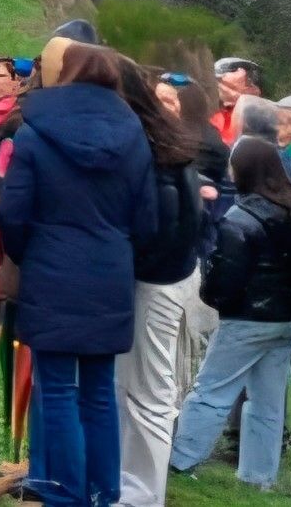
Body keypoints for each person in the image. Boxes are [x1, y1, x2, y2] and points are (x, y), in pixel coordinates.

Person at [0, 42, 154, 507]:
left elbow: (13, 211)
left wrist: (28, 255)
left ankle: (63, 494)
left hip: (50, 265)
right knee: (100, 390)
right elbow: (147, 219)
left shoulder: (34, 132)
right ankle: (103, 493)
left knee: (58, 387)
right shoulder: (135, 135)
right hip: (109, 267)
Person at [174, 138, 291, 492]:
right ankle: (259, 476)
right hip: (287, 316)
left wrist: (211, 295)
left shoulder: (240, 219)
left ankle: (179, 462)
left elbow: (228, 277)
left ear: (245, 170)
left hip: (247, 318)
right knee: (267, 399)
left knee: (211, 390)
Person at [106, 55, 210, 507]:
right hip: (166, 276)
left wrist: (129, 264)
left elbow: (161, 227)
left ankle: (144, 494)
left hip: (157, 281)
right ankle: (131, 485)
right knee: (134, 386)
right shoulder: (170, 147)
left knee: (149, 391)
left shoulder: (157, 155)